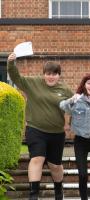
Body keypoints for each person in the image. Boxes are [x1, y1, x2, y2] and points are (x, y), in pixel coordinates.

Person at [7, 52, 73, 200]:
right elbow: (16, 78)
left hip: (57, 132)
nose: (51, 77)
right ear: (44, 74)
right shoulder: (33, 83)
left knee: (55, 165)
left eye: (55, 74)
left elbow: (71, 109)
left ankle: (58, 191)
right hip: (35, 129)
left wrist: (68, 125)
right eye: (48, 74)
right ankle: (33, 195)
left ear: (59, 75)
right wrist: (11, 63)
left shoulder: (65, 90)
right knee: (37, 158)